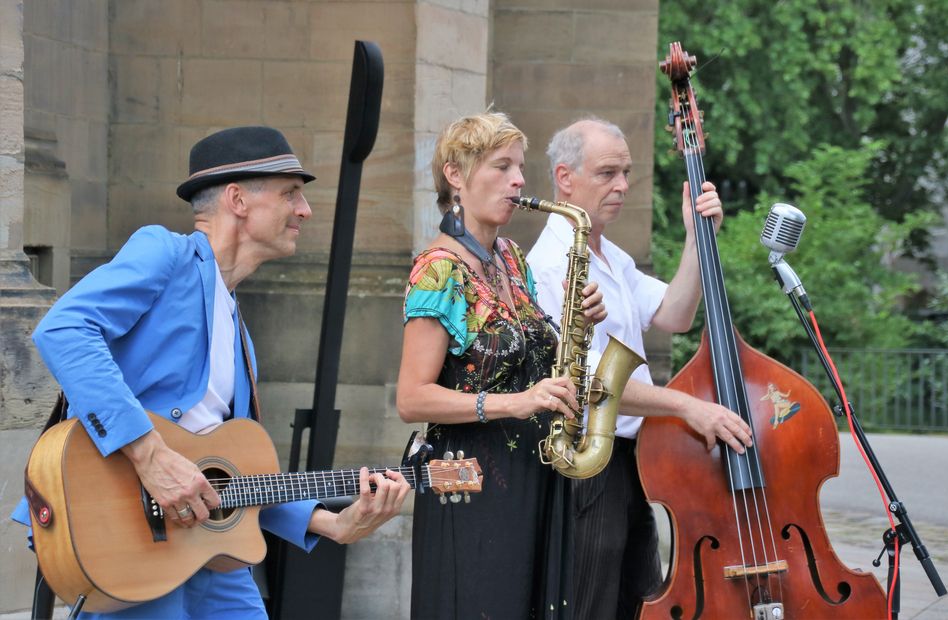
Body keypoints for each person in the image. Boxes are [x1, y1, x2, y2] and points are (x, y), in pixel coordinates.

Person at [11, 126, 409, 619]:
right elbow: (65, 329)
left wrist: (331, 523)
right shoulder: (166, 253)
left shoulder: (238, 330)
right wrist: (150, 454)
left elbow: (233, 472)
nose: (304, 211)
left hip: (208, 548)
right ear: (238, 200)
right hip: (125, 535)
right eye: (291, 194)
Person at [526, 118, 754, 619]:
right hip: (589, 463)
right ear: (565, 178)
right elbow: (586, 384)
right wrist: (688, 407)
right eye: (608, 173)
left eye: (626, 172)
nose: (623, 186)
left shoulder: (608, 253)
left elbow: (675, 313)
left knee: (637, 603)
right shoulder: (551, 263)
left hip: (630, 457)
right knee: (589, 607)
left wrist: (699, 238)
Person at [395, 111, 606, 619]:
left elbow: (532, 360)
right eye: (501, 166)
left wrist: (586, 321)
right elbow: (411, 398)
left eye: (520, 167)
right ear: (455, 175)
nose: (518, 180)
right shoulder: (438, 271)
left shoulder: (511, 258)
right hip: (468, 485)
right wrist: (516, 402)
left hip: (531, 477)